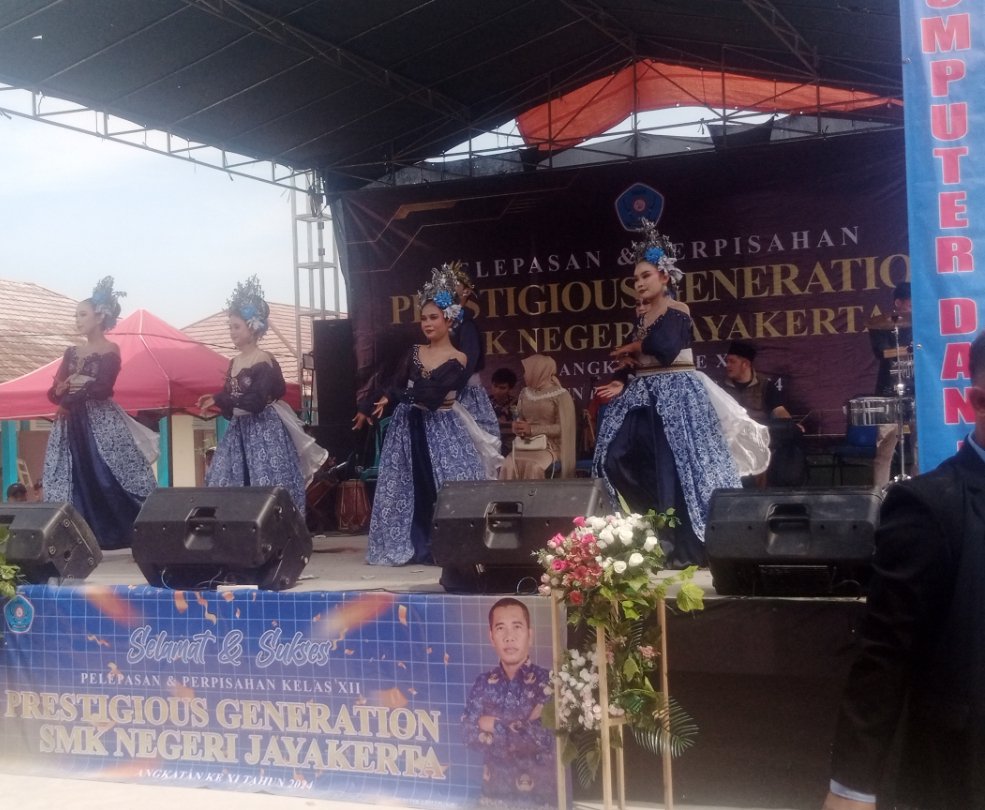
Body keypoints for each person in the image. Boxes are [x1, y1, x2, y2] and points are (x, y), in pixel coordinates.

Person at [822, 330, 985, 810]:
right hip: (965, 769)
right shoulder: (929, 505)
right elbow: (885, 653)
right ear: (978, 402)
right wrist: (851, 789)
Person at [593, 221, 769, 567]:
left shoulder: (677, 311)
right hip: (644, 395)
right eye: (635, 278)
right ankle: (649, 527)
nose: (639, 283)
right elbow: (638, 360)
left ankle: (675, 543)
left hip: (677, 396)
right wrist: (623, 377)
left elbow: (665, 348)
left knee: (674, 469)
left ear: (664, 277)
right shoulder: (642, 318)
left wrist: (634, 346)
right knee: (615, 457)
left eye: (646, 276)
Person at [366, 267, 501, 566]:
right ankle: (412, 545)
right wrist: (382, 398)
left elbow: (432, 395)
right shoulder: (414, 351)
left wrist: (398, 395)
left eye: (433, 317)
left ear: (449, 319)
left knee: (447, 482)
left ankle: (443, 545)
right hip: (407, 428)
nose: (427, 323)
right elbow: (397, 381)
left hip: (442, 426)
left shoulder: (458, 358)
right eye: (424, 318)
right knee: (406, 485)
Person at [41, 276, 158, 550]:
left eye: (82, 314)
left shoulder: (110, 350)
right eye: (76, 315)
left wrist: (71, 394)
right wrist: (59, 391)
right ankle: (82, 537)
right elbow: (54, 391)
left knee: (109, 474)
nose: (77, 319)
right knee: (73, 476)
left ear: (100, 316)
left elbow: (104, 388)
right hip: (70, 422)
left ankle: (133, 532)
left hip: (100, 421)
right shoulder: (71, 352)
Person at [197, 276, 327, 518]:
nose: (232, 332)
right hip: (240, 431)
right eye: (230, 327)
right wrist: (217, 399)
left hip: (264, 429)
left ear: (253, 328)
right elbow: (231, 400)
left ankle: (278, 527)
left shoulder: (263, 359)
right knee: (226, 478)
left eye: (236, 327)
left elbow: (257, 401)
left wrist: (220, 399)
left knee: (268, 480)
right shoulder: (234, 362)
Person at [462, 597, 556, 809]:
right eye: (500, 628)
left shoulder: (548, 682)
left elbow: (541, 739)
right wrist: (521, 726)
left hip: (538, 801)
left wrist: (491, 724)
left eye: (517, 627)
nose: (509, 637)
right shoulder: (483, 682)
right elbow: (467, 735)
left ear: (530, 635)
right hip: (491, 799)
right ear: (491, 637)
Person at [723, 340, 807, 487]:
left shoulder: (766, 386)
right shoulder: (721, 388)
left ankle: (778, 490)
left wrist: (789, 425)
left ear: (745, 364)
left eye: (732, 362)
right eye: (727, 361)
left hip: (760, 436)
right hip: (732, 437)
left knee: (789, 438)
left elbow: (779, 411)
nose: (727, 365)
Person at [867, 281, 915, 488]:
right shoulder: (881, 325)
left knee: (920, 448)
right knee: (885, 449)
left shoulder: (920, 325)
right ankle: (880, 496)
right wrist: (911, 350)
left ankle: (918, 492)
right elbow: (882, 353)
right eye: (911, 304)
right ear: (898, 303)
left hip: (917, 390)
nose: (913, 309)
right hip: (889, 390)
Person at [500, 355, 576, 480]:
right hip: (526, 444)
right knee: (508, 463)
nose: (524, 375)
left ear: (538, 371)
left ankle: (533, 494)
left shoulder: (561, 395)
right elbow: (520, 419)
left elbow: (564, 428)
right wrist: (517, 427)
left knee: (533, 466)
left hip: (551, 447)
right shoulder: (525, 393)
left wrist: (532, 429)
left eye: (527, 371)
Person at [448, 262, 501, 440]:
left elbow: (469, 361)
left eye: (455, 283)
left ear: (467, 291)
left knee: (471, 438)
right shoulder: (443, 323)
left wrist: (450, 388)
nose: (450, 288)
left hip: (462, 392)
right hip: (445, 391)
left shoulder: (466, 325)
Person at [488, 367, 519, 455]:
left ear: (510, 389)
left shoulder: (516, 405)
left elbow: (518, 427)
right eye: (495, 386)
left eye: (502, 388)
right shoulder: (485, 402)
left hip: (509, 445)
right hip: (489, 442)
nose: (497, 391)